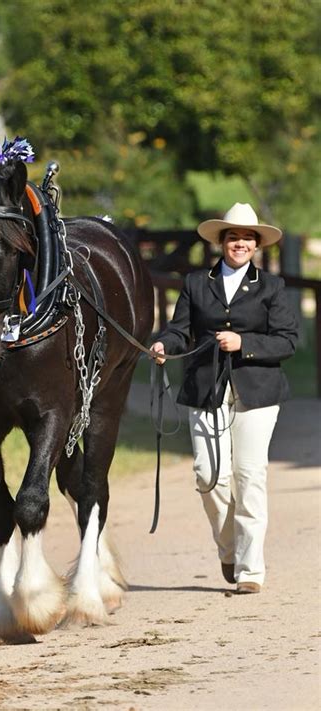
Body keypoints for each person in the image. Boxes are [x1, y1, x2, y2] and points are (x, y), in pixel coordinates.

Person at [152, 203, 298, 594]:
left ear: (256, 245)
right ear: (222, 242)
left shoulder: (273, 287)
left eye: (247, 238)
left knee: (250, 477)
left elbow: (288, 340)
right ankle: (229, 549)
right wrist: (165, 343)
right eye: (233, 237)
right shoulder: (196, 283)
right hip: (206, 387)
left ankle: (251, 570)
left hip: (258, 391)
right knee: (208, 475)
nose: (240, 243)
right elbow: (180, 329)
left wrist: (244, 343)